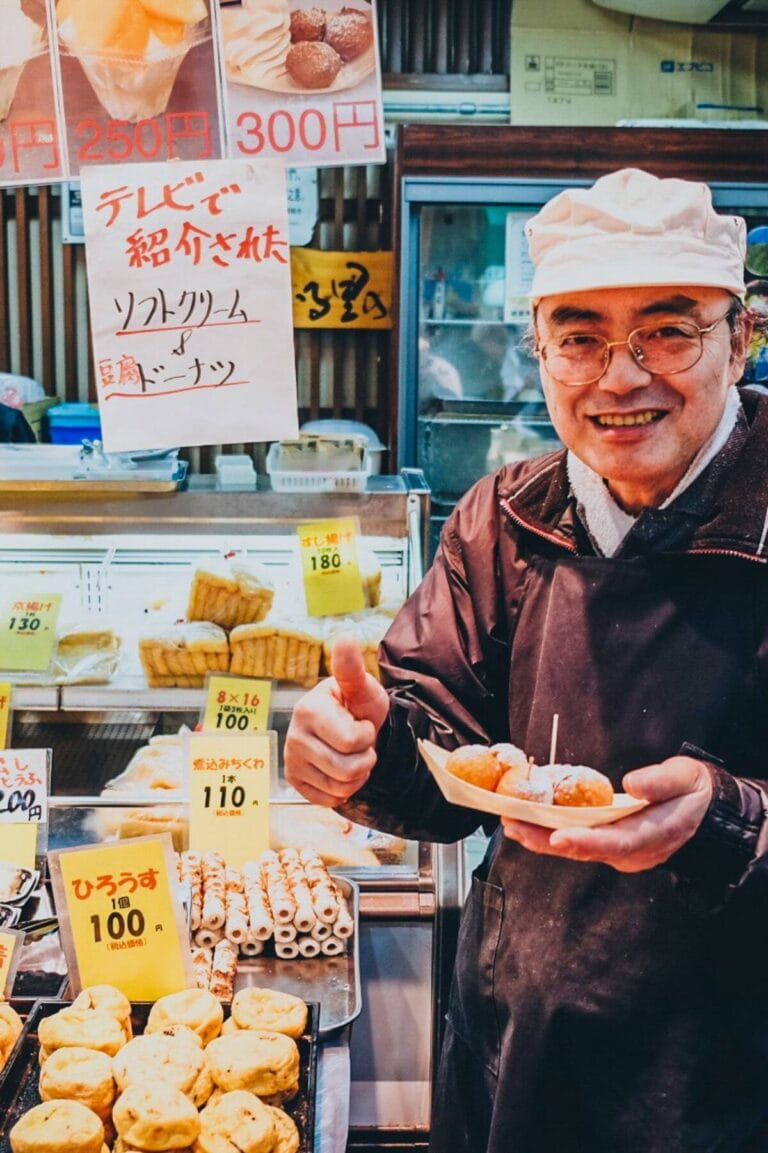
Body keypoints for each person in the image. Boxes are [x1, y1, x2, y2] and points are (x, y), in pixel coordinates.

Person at [284, 168, 768, 1153]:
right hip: (518, 1056)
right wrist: (365, 755)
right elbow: (444, 766)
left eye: (668, 331)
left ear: (742, 336)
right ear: (539, 348)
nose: (621, 377)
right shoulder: (502, 517)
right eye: (581, 336)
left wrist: (731, 820)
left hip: (733, 1077)